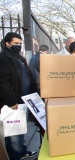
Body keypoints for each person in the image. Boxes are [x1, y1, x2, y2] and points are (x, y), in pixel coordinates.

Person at [0, 32, 38, 160]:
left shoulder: (19, 58)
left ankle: (22, 151)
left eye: (20, 43)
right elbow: (3, 82)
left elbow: (28, 77)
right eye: (16, 43)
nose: (19, 46)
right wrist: (11, 102)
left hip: (24, 99)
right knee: (13, 133)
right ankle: (15, 155)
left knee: (20, 129)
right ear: (7, 43)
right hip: (13, 102)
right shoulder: (3, 58)